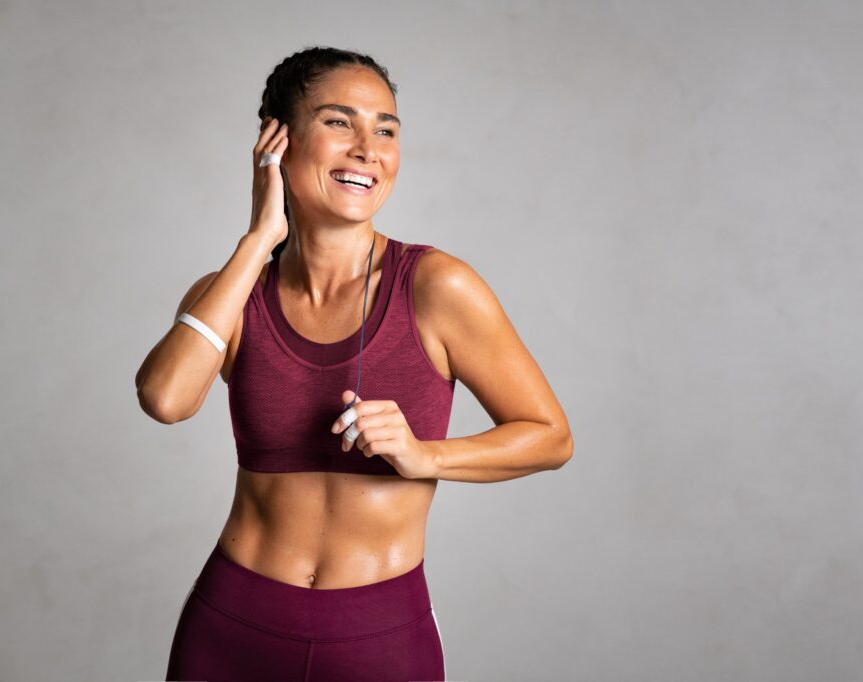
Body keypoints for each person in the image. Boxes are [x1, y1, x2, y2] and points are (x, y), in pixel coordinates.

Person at [134, 46, 573, 682]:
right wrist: (258, 238)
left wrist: (427, 455)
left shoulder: (436, 286)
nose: (369, 148)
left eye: (386, 129)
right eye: (340, 121)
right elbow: (164, 400)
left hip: (377, 634)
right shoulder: (232, 293)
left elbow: (551, 438)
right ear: (277, 144)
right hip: (232, 626)